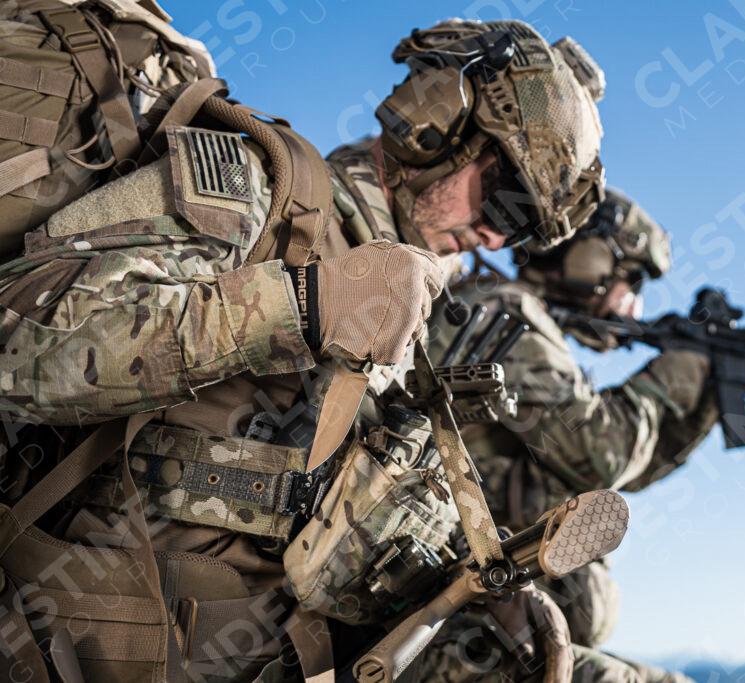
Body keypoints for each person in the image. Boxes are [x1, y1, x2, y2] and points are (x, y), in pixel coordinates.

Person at [0, 17, 605, 682]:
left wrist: (472, 586)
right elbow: (24, 347)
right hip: (105, 644)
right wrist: (302, 306)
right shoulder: (260, 192)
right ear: (437, 120)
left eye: (521, 232)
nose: (494, 237)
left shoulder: (420, 311)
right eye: (508, 202)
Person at [426, 188, 745, 683]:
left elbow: (624, 470)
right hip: (462, 617)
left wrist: (710, 392)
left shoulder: (513, 314)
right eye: (630, 276)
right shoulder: (505, 313)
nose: (633, 300)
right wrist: (672, 379)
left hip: (498, 620)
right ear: (588, 256)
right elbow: (599, 456)